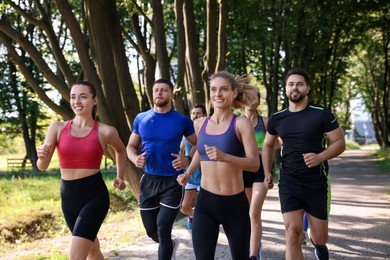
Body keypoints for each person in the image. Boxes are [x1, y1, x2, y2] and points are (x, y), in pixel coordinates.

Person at [261, 67, 346, 260]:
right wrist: (267, 172)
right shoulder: (277, 118)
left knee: (320, 236)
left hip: (316, 181)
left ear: (307, 88)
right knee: (292, 233)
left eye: (299, 84)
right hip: (289, 181)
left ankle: (319, 244)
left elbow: (340, 142)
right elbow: (267, 145)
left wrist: (320, 157)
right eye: (291, 84)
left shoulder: (321, 113)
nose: (295, 88)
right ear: (286, 88)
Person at [37, 81, 127, 260]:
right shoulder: (57, 128)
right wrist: (41, 155)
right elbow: (42, 166)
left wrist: (120, 176)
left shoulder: (105, 131)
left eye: (83, 96)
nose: (77, 101)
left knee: (76, 256)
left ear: (94, 101)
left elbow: (121, 150)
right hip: (68, 196)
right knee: (92, 249)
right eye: (73, 97)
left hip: (94, 195)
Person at [177, 71, 260, 260]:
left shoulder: (241, 123)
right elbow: (200, 151)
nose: (218, 94)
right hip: (206, 202)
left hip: (235, 204)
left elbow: (254, 164)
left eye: (223, 89)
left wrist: (226, 157)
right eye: (213, 89)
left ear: (234, 93)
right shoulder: (199, 123)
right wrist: (188, 172)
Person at [126, 79, 197, 260]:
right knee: (151, 231)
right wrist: (135, 158)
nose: (159, 93)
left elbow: (199, 145)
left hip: (172, 181)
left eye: (164, 90)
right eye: (156, 90)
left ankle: (167, 246)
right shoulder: (141, 118)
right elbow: (130, 147)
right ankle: (171, 245)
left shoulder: (182, 121)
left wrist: (187, 159)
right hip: (149, 180)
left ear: (171, 95)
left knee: (163, 227)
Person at [242, 91, 269, 260]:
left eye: (255, 97)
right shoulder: (237, 121)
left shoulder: (265, 122)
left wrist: (263, 150)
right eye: (248, 97)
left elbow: (277, 144)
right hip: (242, 171)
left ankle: (253, 255)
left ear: (259, 101)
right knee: (246, 213)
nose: (251, 100)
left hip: (260, 171)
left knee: (254, 212)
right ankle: (255, 244)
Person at [180, 104, 207, 230]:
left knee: (204, 207)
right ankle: (193, 216)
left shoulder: (207, 131)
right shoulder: (186, 133)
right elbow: (181, 148)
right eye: (193, 113)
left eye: (198, 113)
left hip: (204, 177)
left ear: (204, 116)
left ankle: (203, 227)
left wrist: (188, 159)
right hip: (190, 176)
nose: (195, 115)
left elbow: (199, 148)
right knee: (184, 207)